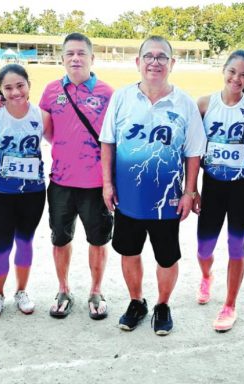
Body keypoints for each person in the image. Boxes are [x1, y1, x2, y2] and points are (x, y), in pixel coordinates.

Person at [100, 36, 206, 336]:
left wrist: (189, 191)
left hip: (167, 200)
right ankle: (137, 302)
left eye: (162, 57)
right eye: (149, 56)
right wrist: (107, 184)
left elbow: (193, 151)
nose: (155, 62)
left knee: (167, 256)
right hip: (128, 197)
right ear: (138, 62)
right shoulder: (121, 98)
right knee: (129, 251)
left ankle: (162, 305)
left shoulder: (184, 103)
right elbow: (108, 142)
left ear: (172, 63)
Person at [39, 33, 114, 320]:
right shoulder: (51, 90)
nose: (75, 58)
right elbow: (47, 131)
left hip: (96, 184)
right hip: (60, 181)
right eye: (70, 53)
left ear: (92, 58)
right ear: (62, 58)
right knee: (60, 239)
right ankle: (63, 288)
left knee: (97, 240)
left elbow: (113, 139)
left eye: (81, 53)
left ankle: (96, 290)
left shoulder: (108, 93)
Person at [0, 64, 53, 319]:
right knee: (1, 246)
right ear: (0, 90)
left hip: (33, 192)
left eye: (20, 85)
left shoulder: (42, 117)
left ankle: (21, 291)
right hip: (1, 191)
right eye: (8, 87)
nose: (15, 91)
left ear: (29, 85)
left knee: (24, 242)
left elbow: (58, 144)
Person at [195, 50, 244, 332]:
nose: (237, 78)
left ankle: (230, 304)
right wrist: (192, 189)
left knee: (236, 246)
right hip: (212, 185)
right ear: (223, 70)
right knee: (203, 247)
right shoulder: (203, 104)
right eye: (232, 71)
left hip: (242, 188)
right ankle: (206, 276)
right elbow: (193, 152)